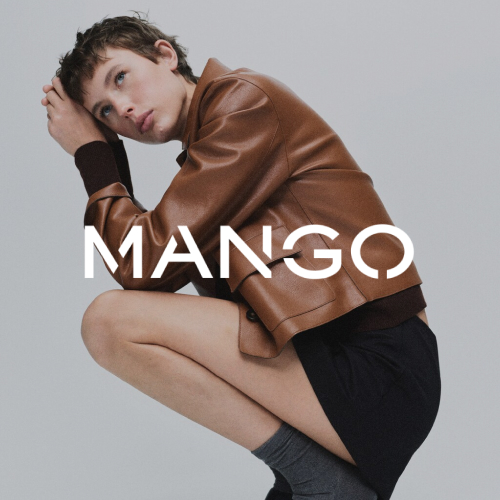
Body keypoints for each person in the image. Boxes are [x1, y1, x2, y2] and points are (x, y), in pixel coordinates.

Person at [41, 13, 441, 500]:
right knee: (113, 324)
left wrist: (93, 156)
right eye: (104, 112)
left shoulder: (244, 104)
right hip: (323, 364)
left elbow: (141, 264)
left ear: (165, 55)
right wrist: (107, 158)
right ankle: (309, 474)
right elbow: (149, 268)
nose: (122, 108)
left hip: (375, 366)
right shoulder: (207, 156)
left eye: (120, 77)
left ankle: (314, 475)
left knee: (109, 322)